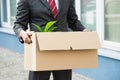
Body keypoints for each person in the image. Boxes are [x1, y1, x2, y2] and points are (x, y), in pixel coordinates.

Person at [13, 0, 88, 80]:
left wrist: (84, 30)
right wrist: (22, 33)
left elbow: (73, 21)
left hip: (63, 50)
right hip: (40, 51)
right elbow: (19, 24)